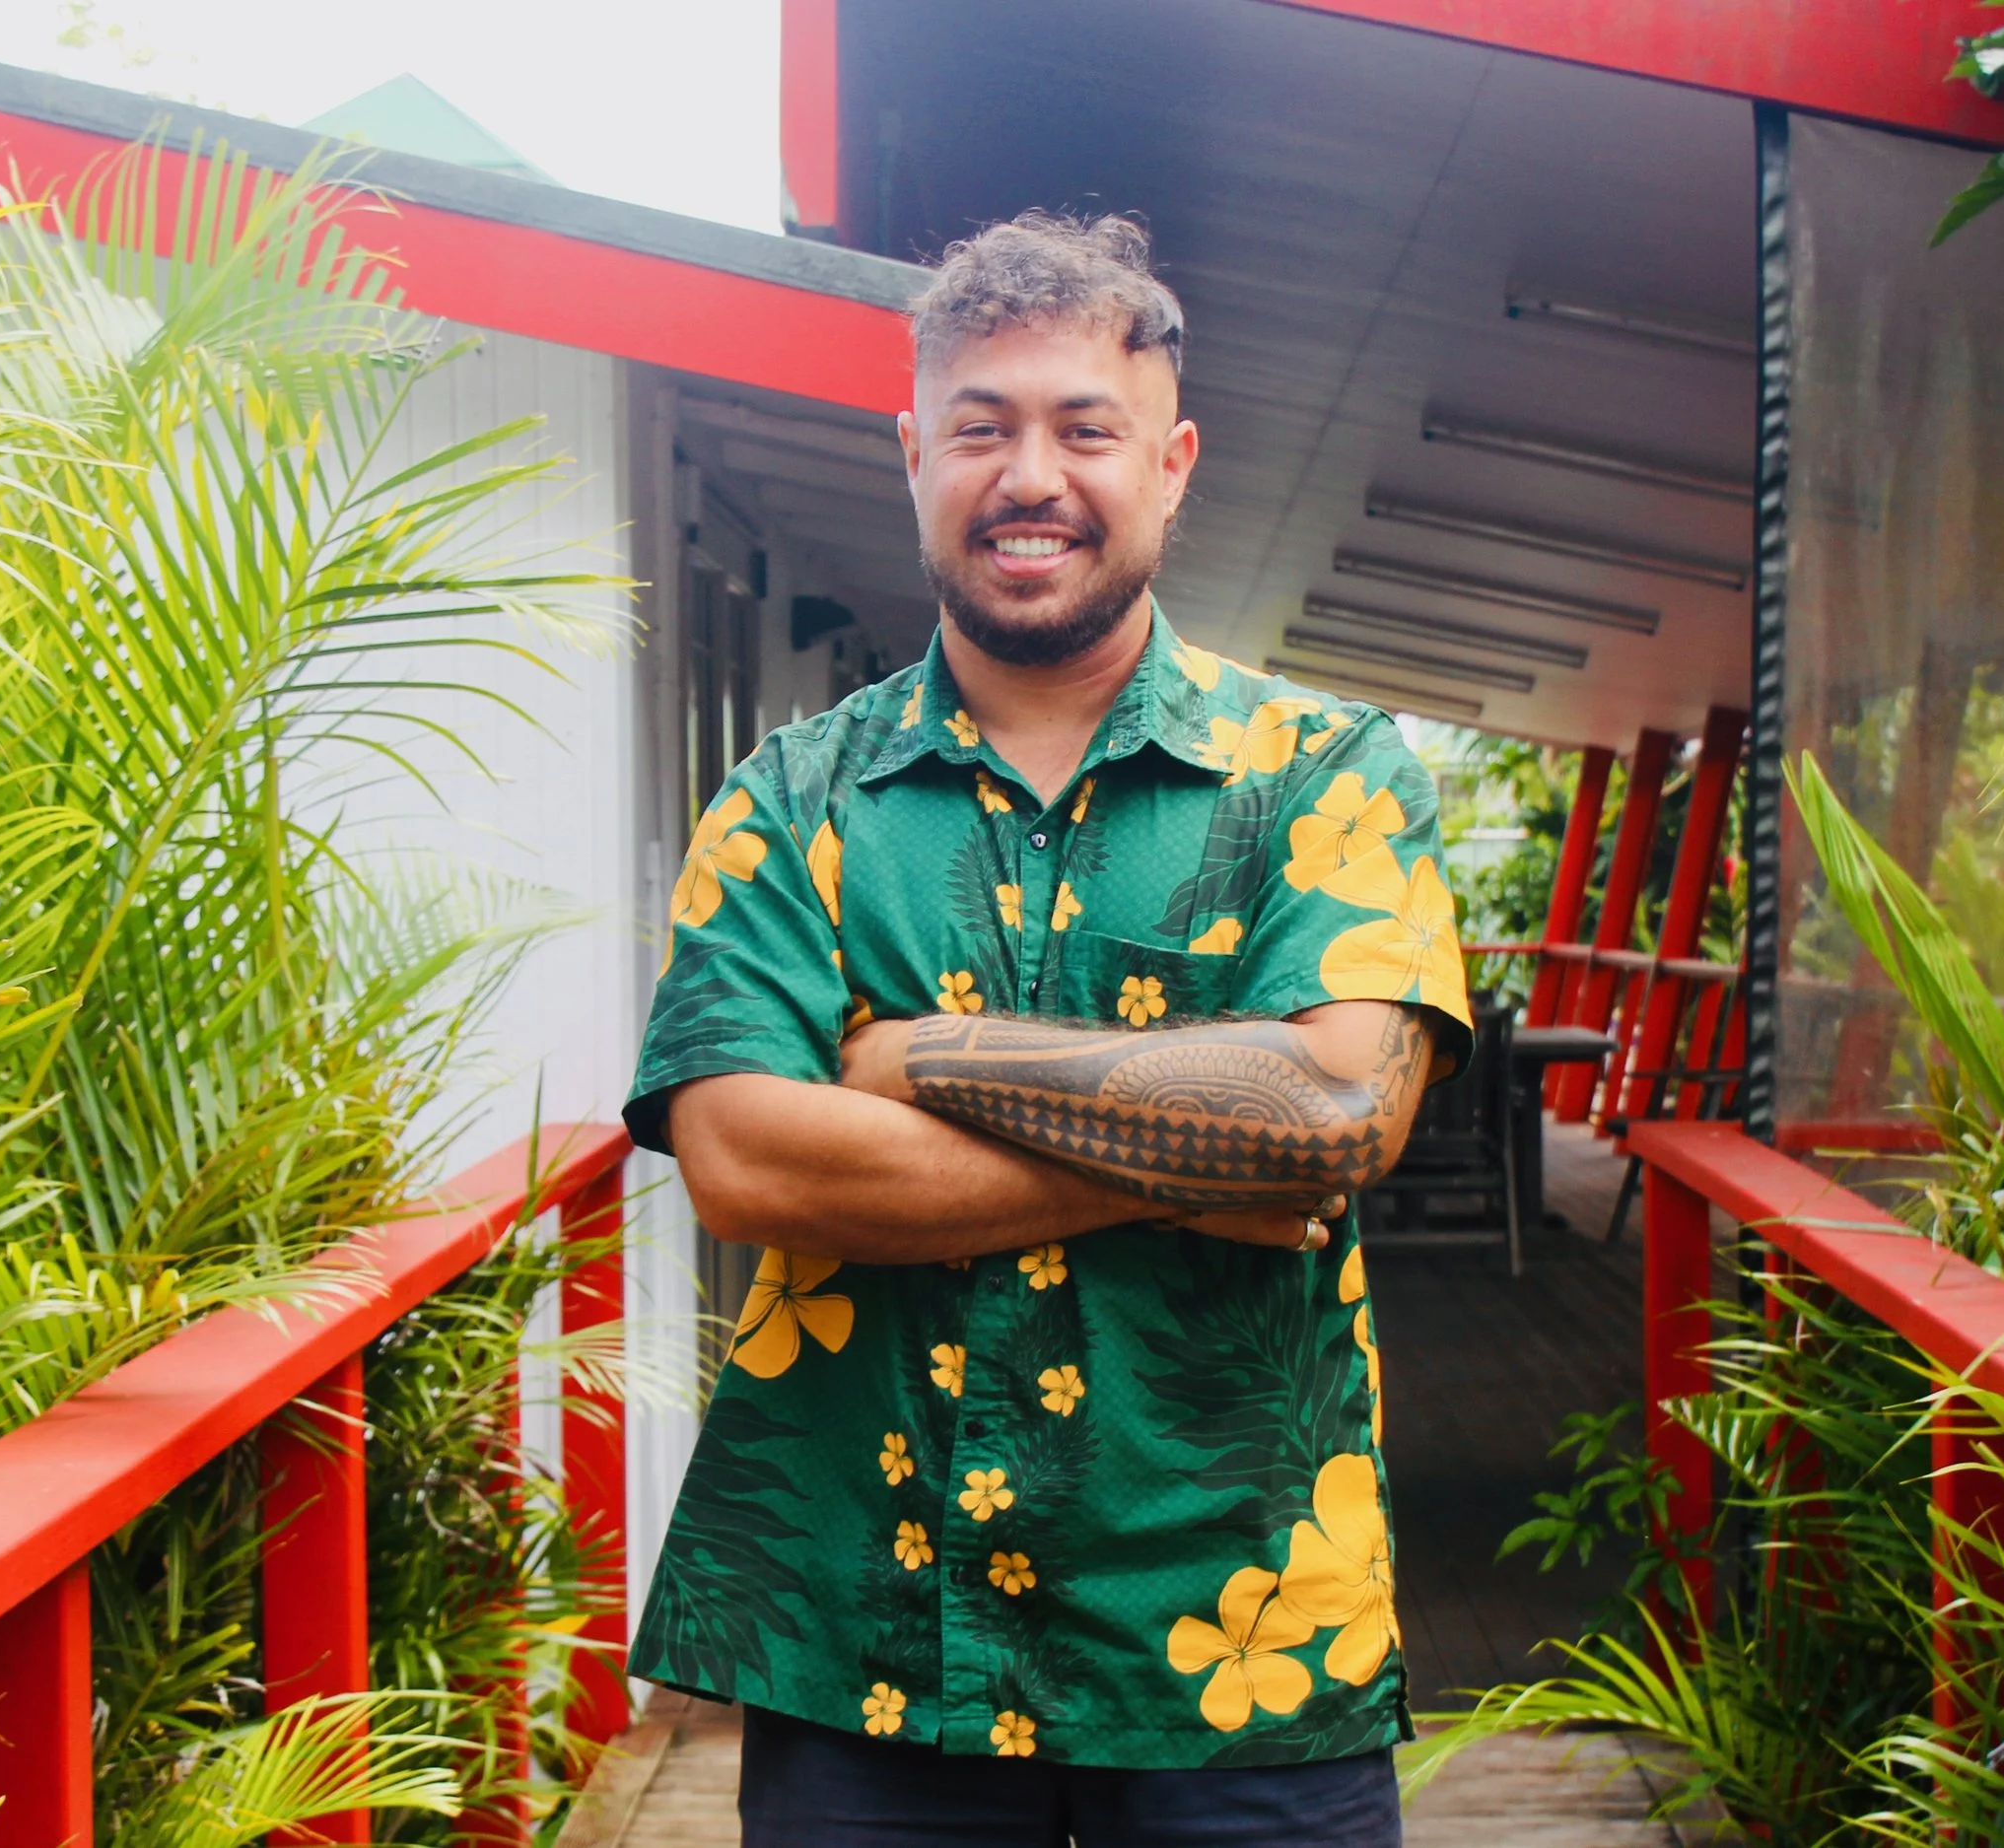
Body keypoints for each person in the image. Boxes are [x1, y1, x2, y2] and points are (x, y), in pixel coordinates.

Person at [622, 210, 1472, 1847]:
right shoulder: (789, 801)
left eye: (1086, 427)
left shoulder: (1327, 774)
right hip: (869, 1631)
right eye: (981, 426)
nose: (1032, 475)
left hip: (1246, 1632)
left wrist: (911, 1060)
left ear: (1172, 461)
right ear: (911, 452)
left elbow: (1334, 1122)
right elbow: (739, 1156)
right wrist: (1199, 1156)